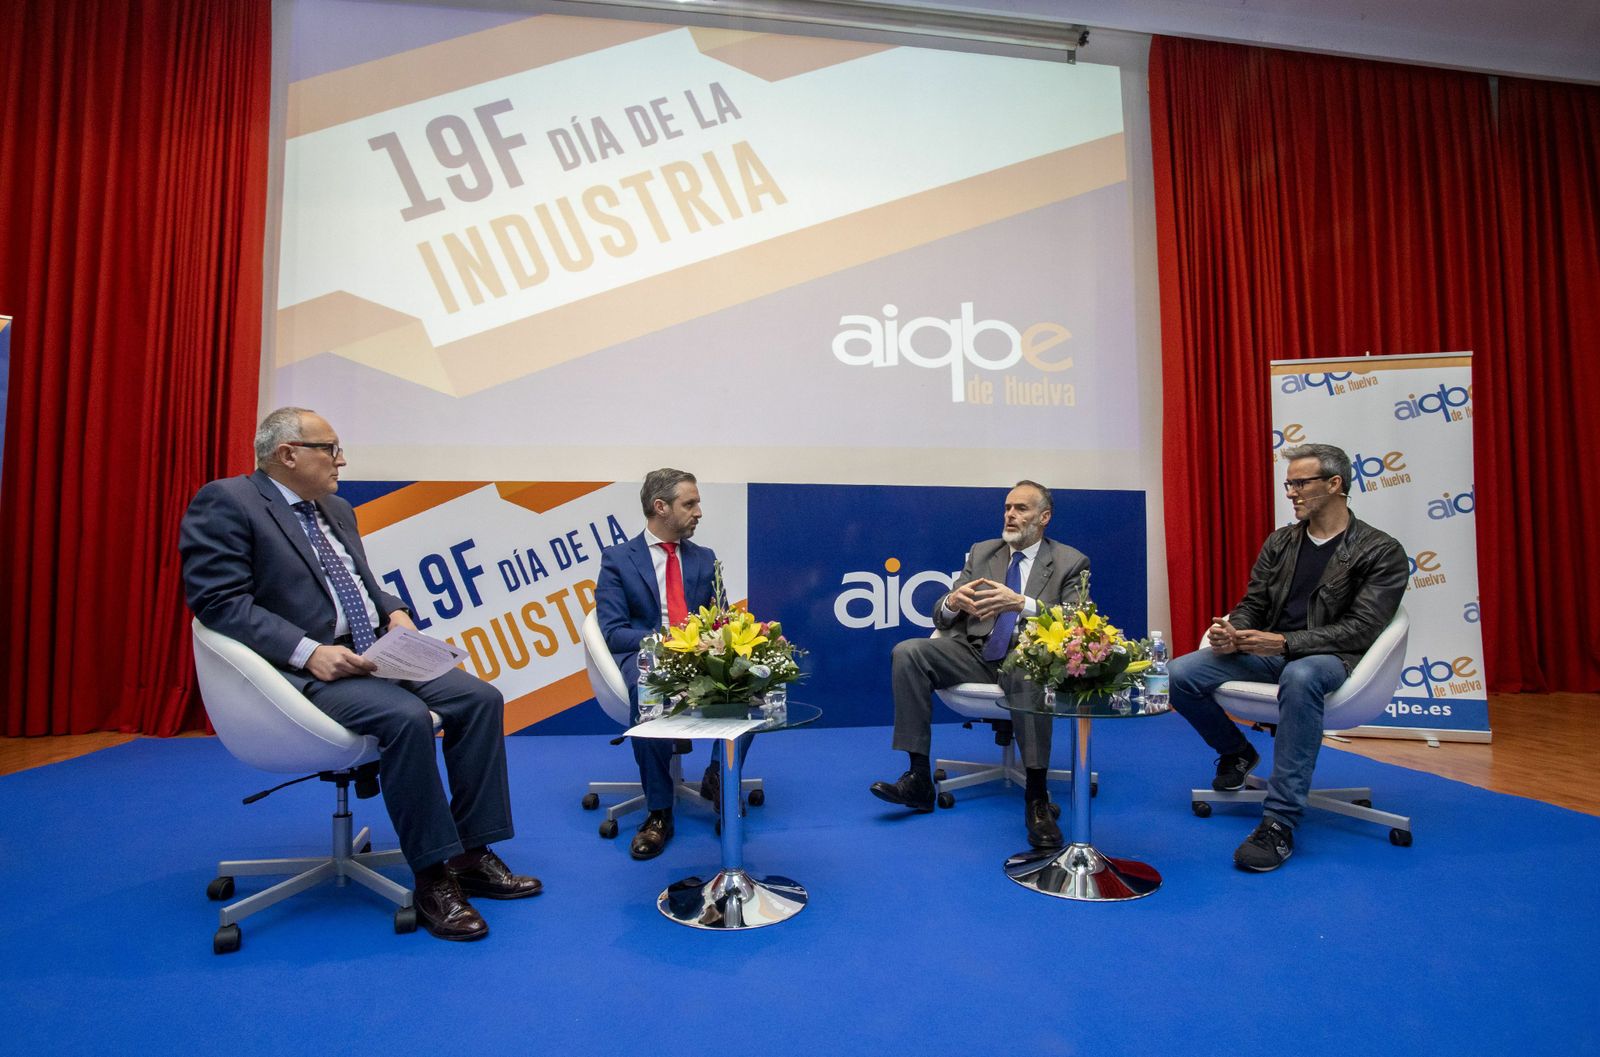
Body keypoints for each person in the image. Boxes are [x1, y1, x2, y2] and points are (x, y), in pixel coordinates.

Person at [179, 407, 539, 942]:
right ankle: (432, 876)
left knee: (479, 699)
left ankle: (470, 853)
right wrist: (308, 652)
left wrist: (395, 611)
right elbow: (218, 602)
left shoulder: (336, 508)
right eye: (330, 448)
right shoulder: (227, 501)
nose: (341, 460)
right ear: (288, 454)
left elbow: (360, 582)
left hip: (374, 651)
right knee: (406, 718)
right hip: (301, 670)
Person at [1168, 442, 1407, 872]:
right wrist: (1234, 632)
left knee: (1301, 675)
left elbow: (1362, 629)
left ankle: (1279, 822)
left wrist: (1283, 643)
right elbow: (1253, 603)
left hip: (1333, 659)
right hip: (1272, 651)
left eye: (1301, 483)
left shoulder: (1380, 550)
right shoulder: (1281, 542)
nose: (1292, 493)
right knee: (1178, 675)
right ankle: (1237, 752)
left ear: (1335, 484)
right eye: (1289, 484)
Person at [870, 481, 1090, 850]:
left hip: (1030, 657)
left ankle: (1037, 797)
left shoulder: (1070, 561)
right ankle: (919, 778)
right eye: (1007, 507)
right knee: (908, 652)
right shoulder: (983, 552)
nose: (1010, 515)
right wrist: (952, 602)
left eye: (1021, 508)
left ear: (1044, 518)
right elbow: (940, 615)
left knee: (1026, 669)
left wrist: (1021, 603)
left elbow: (1077, 621)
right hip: (976, 653)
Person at [594, 468, 746, 860]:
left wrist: (722, 641)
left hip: (701, 653)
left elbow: (721, 619)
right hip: (650, 654)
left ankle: (719, 776)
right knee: (648, 688)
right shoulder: (618, 560)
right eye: (689, 504)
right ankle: (659, 811)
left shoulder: (705, 558)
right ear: (660, 507)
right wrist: (670, 642)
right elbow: (614, 632)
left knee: (750, 679)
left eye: (698, 503)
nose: (699, 512)